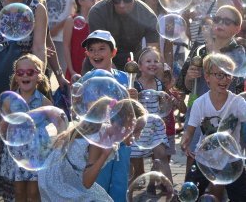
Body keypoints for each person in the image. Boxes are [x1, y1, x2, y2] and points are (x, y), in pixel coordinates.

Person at [176, 5, 244, 178]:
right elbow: (186, 87)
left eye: (226, 21)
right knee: (194, 158)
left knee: (222, 166)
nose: (220, 23)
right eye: (217, 19)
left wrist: (211, 46)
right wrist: (190, 77)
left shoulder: (239, 53)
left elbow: (234, 85)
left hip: (225, 118)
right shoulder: (200, 48)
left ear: (237, 28)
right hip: (200, 112)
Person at [38, 97, 146, 202]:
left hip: (71, 175)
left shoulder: (109, 136)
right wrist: (104, 155)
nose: (139, 136)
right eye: (136, 130)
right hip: (59, 179)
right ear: (125, 123)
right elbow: (87, 182)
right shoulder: (100, 139)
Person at [0, 54, 52, 202]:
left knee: (34, 192)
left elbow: (58, 125)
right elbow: (3, 124)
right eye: (20, 73)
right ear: (16, 76)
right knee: (19, 191)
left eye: (30, 72)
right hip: (16, 152)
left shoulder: (44, 101)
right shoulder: (10, 101)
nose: (25, 75)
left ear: (38, 76)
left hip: (37, 153)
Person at [81, 29, 138, 202]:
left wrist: (133, 100)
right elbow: (89, 112)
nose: (96, 53)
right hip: (97, 143)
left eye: (101, 48)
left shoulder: (124, 78)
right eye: (92, 50)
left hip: (122, 142)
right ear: (87, 53)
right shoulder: (87, 80)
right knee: (99, 186)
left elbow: (133, 113)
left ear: (113, 52)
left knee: (120, 186)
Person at [181, 53, 246, 201]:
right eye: (219, 75)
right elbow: (190, 130)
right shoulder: (200, 103)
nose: (225, 79)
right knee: (188, 195)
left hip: (231, 161)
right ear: (207, 77)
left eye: (228, 75)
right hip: (205, 159)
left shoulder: (237, 103)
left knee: (241, 197)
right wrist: (185, 141)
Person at [88, 0, 159, 70]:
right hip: (99, 65)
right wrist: (118, 78)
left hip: (133, 66)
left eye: (127, 0)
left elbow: (153, 52)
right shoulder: (98, 12)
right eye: (116, 1)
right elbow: (99, 52)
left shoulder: (148, 15)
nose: (122, 5)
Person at [130, 47, 173, 184]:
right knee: (136, 165)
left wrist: (169, 102)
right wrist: (134, 98)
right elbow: (131, 108)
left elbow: (162, 105)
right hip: (139, 129)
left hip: (155, 127)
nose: (153, 63)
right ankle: (137, 180)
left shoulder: (159, 84)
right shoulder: (135, 85)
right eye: (148, 61)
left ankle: (169, 188)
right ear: (140, 67)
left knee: (162, 157)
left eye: (156, 61)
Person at [25, 0, 69, 88]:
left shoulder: (40, 2)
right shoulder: (11, 1)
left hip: (37, 65)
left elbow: (48, 40)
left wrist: (59, 75)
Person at [63, 0, 96, 81]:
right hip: (75, 66)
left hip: (92, 66)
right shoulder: (71, 20)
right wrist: (71, 70)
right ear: (80, 1)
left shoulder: (96, 19)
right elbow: (66, 46)